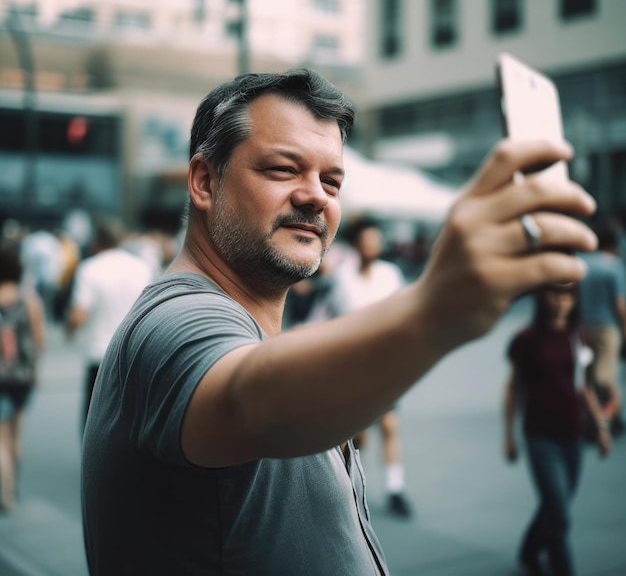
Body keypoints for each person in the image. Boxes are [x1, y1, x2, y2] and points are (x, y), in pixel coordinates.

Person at [81, 69, 598, 575]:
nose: (316, 196)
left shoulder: (243, 323)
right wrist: (434, 308)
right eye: (284, 169)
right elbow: (247, 403)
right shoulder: (174, 318)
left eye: (332, 180)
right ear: (204, 181)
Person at [503, 282, 611, 576]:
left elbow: (584, 387)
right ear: (543, 296)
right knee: (560, 514)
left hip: (573, 434)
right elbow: (513, 389)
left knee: (556, 504)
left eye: (568, 294)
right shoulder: (527, 339)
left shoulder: (579, 336)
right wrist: (509, 437)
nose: (562, 300)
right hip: (540, 435)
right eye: (556, 293)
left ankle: (529, 549)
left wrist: (600, 428)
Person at [323, 217, 412, 518]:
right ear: (357, 244)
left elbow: (403, 313)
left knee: (389, 425)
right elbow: (333, 318)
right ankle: (348, 481)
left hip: (386, 365)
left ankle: (395, 488)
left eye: (376, 239)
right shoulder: (343, 277)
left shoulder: (390, 274)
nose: (373, 244)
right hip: (353, 366)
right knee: (359, 434)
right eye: (367, 239)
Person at [66, 217, 152, 433]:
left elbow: (78, 316)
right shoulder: (141, 267)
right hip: (134, 355)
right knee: (131, 424)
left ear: (97, 241)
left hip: (100, 356)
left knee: (94, 426)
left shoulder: (89, 268)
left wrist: (70, 330)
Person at [0, 242, 45, 512]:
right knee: (16, 434)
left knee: (1, 438)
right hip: (24, 378)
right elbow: (39, 341)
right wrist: (35, 370)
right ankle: (13, 485)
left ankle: (5, 497)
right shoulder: (29, 300)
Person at [578, 219, 626, 436]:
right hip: (608, 329)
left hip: (584, 328)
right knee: (605, 377)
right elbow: (620, 304)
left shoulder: (581, 263)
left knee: (590, 376)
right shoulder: (614, 265)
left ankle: (599, 418)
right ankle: (609, 416)